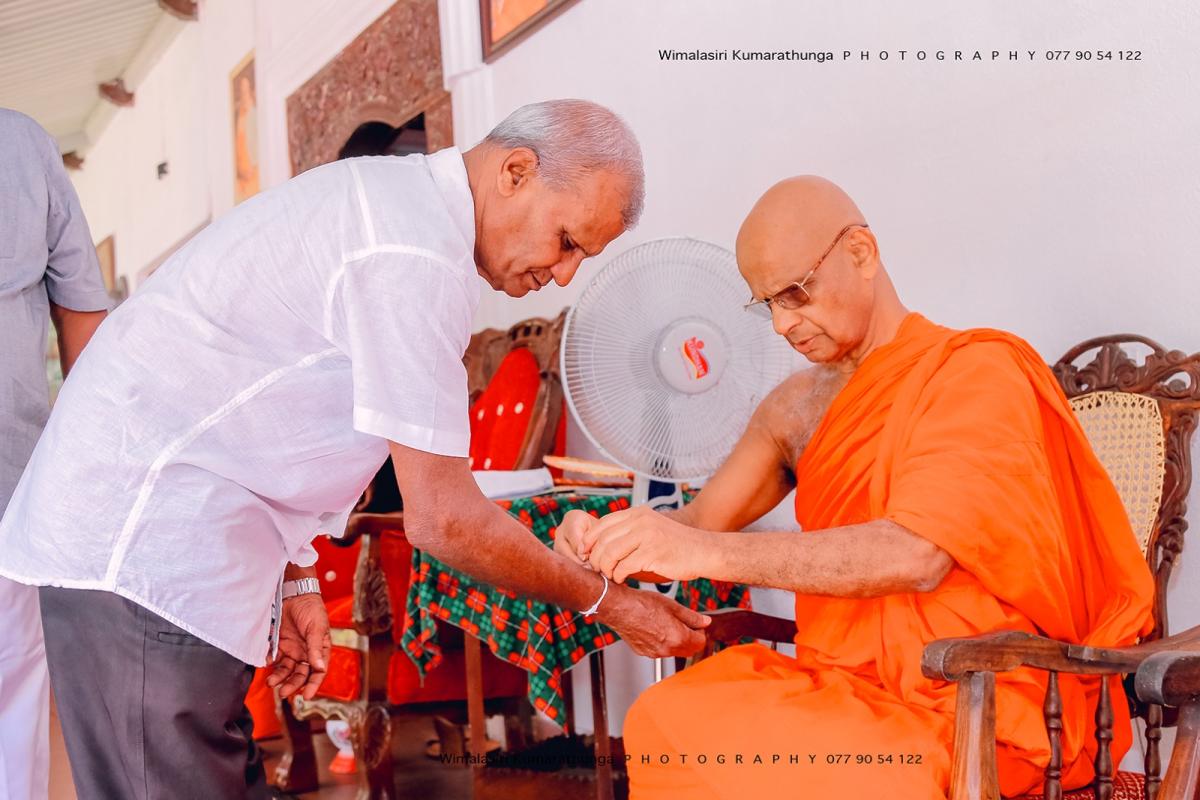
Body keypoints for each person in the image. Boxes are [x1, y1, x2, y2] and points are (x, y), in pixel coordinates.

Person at [0, 99, 709, 799]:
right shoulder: (411, 250)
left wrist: (296, 574)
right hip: (139, 545)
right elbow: (443, 519)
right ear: (516, 172)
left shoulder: (402, 215)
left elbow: (262, 411)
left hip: (164, 534)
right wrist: (609, 602)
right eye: (568, 241)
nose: (565, 274)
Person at [555, 176, 1154, 799]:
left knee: (821, 774)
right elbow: (699, 524)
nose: (782, 324)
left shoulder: (976, 372)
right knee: (664, 720)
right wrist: (606, 540)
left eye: (795, 293)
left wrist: (703, 553)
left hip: (971, 700)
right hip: (842, 687)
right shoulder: (793, 408)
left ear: (861, 253)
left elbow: (916, 555)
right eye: (767, 304)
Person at [0, 109, 109, 800]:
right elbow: (83, 316)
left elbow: (83, 315)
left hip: (13, 495)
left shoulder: (22, 143)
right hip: (13, 492)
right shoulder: (20, 143)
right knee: (12, 708)